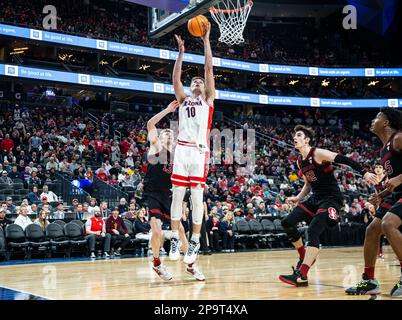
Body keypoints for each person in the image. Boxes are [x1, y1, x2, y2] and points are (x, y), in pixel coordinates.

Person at [279, 125, 377, 287]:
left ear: (307, 140)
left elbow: (345, 159)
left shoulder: (318, 153)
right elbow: (308, 185)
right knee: (287, 222)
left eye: (298, 135)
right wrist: (297, 198)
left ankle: (302, 275)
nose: (295, 138)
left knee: (313, 230)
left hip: (331, 199)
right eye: (294, 135)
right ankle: (304, 255)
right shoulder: (299, 162)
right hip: (315, 198)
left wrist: (364, 172)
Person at [170, 22, 215, 266]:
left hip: (199, 151)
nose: (198, 82)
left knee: (196, 198)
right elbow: (175, 78)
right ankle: (177, 238)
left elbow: (208, 69)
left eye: (200, 82)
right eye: (194, 81)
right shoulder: (183, 99)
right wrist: (181, 53)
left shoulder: (208, 99)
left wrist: (206, 40)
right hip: (181, 149)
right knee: (177, 195)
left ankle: (195, 240)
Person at [144, 101, 205, 281]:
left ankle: (191, 266)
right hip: (154, 193)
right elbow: (150, 125)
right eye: (166, 134)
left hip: (171, 196)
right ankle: (157, 264)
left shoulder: (179, 154)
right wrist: (169, 110)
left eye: (171, 134)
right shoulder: (156, 148)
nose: (169, 136)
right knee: (157, 232)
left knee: (180, 233)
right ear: (160, 138)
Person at [346, 108, 402, 297]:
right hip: (397, 194)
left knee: (388, 223)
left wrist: (399, 178)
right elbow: (394, 182)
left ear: (386, 122)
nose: (372, 120)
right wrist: (382, 195)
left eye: (377, 117)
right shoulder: (384, 148)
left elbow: (398, 179)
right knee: (372, 230)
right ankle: (369, 281)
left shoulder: (399, 138)